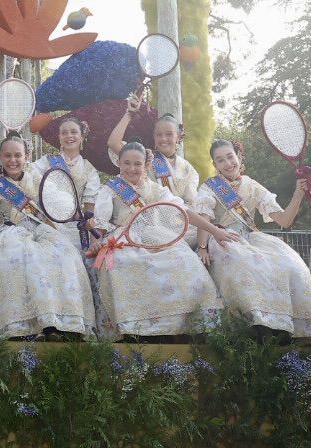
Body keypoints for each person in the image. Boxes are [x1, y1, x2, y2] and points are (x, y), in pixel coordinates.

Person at [0, 135, 97, 339]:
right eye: (7, 155)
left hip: (41, 231)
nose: (13, 160)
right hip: (9, 235)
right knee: (13, 263)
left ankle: (56, 324)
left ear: (27, 156)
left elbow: (57, 209)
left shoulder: (39, 180)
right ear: (0, 158)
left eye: (18, 155)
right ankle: (20, 328)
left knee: (64, 257)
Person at [90, 143, 229, 339]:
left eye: (137, 164)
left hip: (157, 236)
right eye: (126, 163)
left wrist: (214, 231)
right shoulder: (110, 189)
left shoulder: (158, 189)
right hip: (124, 237)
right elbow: (100, 222)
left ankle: (187, 327)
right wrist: (97, 239)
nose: (131, 168)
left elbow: (185, 212)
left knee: (185, 261)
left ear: (146, 165)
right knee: (124, 264)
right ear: (119, 164)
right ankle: (136, 330)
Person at [191, 139, 311, 340]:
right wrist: (202, 247)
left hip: (250, 238)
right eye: (220, 160)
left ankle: (284, 324)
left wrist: (298, 194)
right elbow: (204, 218)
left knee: (290, 263)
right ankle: (252, 325)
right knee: (242, 263)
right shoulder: (210, 187)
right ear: (215, 165)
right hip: (222, 238)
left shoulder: (253, 186)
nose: (227, 163)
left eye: (230, 157)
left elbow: (284, 220)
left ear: (239, 157)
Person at [108, 110, 199, 203]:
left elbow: (190, 202)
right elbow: (113, 143)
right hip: (144, 214)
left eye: (169, 134)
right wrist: (129, 114)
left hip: (179, 215)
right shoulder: (144, 158)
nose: (163, 139)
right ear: (154, 137)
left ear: (178, 136)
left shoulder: (188, 169)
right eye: (159, 135)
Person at [30, 116, 102, 224]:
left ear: (82, 136)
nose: (69, 136)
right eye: (64, 133)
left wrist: (88, 222)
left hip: (75, 224)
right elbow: (27, 174)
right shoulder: (47, 162)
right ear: (59, 137)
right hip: (47, 222)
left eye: (74, 132)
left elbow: (89, 205)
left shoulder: (89, 169)